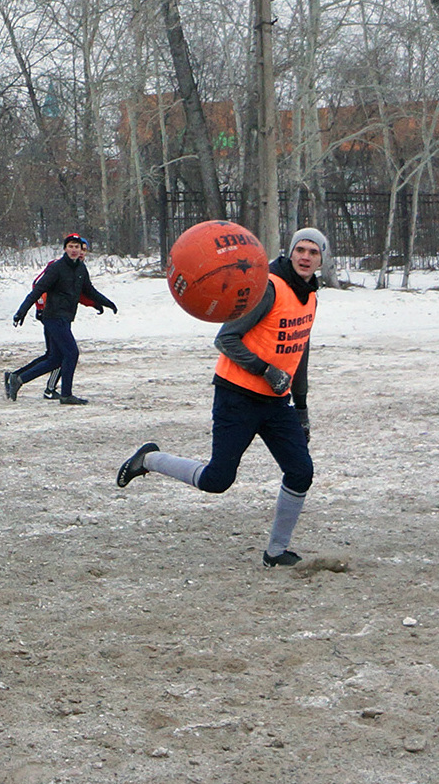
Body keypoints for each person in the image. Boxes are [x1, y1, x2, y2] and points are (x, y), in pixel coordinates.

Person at [114, 227, 326, 568]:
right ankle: (149, 459)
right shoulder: (267, 287)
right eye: (300, 249)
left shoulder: (311, 297)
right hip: (237, 397)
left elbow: (299, 352)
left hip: (276, 403)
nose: (306, 256)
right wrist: (264, 369)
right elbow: (226, 339)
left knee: (301, 471)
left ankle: (276, 552)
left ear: (321, 260)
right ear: (290, 252)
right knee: (217, 481)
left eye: (313, 253)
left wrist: (300, 406)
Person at [3, 234, 116, 405]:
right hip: (53, 316)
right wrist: (22, 311)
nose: (74, 250)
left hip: (65, 318)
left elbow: (89, 291)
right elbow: (38, 289)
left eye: (77, 247)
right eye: (70, 246)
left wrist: (105, 303)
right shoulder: (57, 268)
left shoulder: (80, 269)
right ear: (65, 249)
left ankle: (18, 379)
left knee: (55, 358)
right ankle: (65, 395)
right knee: (71, 353)